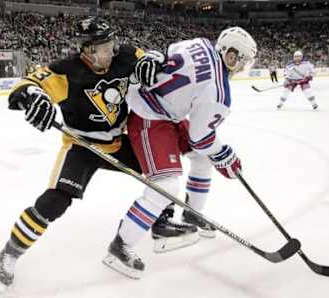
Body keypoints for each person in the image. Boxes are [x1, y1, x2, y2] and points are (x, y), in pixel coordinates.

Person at [0, 17, 161, 294]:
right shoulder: (67, 71)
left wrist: (155, 58)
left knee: (161, 175)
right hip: (82, 146)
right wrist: (33, 96)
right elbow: (24, 87)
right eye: (102, 48)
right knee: (55, 201)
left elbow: (151, 59)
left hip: (118, 142)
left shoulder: (124, 55)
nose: (110, 52)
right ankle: (8, 254)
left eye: (111, 45)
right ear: (86, 50)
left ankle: (135, 237)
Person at [102, 27, 257, 279]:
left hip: (162, 107)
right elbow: (202, 137)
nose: (241, 67)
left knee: (201, 158)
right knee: (166, 185)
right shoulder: (219, 92)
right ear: (230, 55)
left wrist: (213, 154)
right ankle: (119, 245)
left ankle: (192, 215)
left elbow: (166, 54)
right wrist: (225, 156)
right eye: (241, 60)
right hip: (149, 115)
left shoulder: (203, 42)